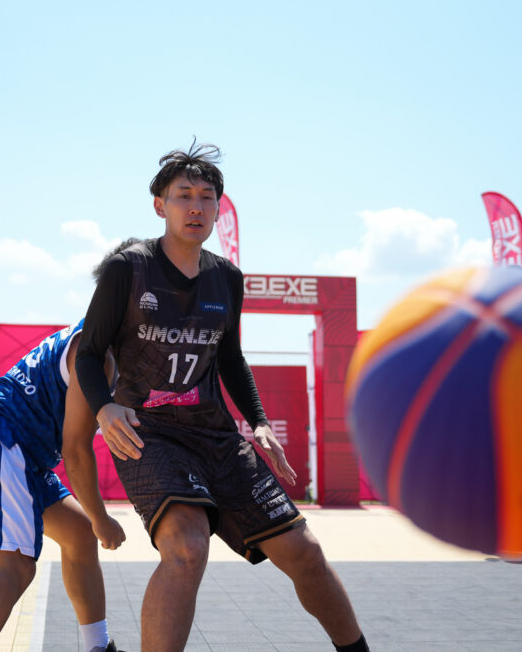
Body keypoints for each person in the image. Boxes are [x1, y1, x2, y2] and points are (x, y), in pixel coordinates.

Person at [75, 141, 368, 652]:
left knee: (304, 551)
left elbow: (231, 359)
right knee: (188, 548)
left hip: (215, 436)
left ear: (217, 207)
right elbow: (88, 352)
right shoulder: (128, 269)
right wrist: (103, 407)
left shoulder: (226, 278)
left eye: (207, 197)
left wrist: (258, 422)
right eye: (183, 195)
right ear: (160, 205)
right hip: (149, 434)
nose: (196, 207)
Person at [0, 241, 141, 652]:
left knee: (79, 535)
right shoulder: (95, 353)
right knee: (13, 569)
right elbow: (75, 450)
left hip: (19, 450)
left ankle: (97, 647)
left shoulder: (103, 340)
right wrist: (102, 517)